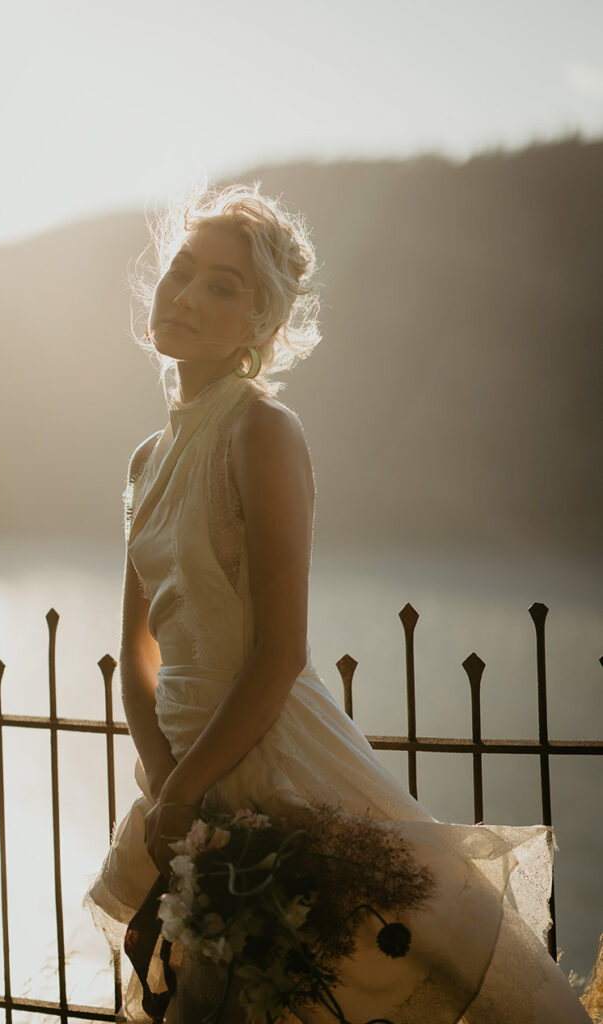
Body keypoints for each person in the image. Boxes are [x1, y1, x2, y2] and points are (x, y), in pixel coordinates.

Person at [83, 181, 591, 1023]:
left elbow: (280, 651)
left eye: (223, 284)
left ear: (261, 326)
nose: (187, 292)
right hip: (178, 774)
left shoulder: (262, 432)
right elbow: (137, 653)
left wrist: (191, 786)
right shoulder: (146, 460)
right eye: (181, 269)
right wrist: (166, 786)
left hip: (271, 758)